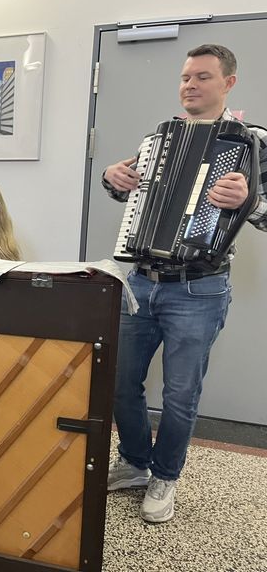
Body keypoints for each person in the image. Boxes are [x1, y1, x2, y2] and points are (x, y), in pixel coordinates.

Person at [101, 44, 267, 523]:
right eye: (185, 77)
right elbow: (128, 190)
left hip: (200, 288)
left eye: (202, 77)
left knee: (179, 394)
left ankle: (165, 475)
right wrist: (112, 178)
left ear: (228, 83)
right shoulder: (161, 137)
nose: (190, 85)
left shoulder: (254, 142)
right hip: (141, 280)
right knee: (120, 381)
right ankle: (135, 462)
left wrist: (248, 202)